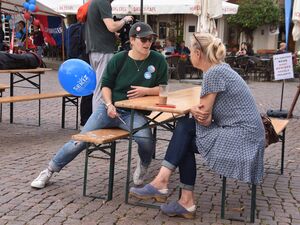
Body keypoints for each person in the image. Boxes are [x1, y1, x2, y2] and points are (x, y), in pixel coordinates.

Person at [129, 32, 265, 219]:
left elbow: (203, 119)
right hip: (248, 137)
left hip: (242, 141)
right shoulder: (221, 69)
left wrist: (194, 110)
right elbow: (205, 117)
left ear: (198, 53)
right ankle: (181, 198)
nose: (188, 55)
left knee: (185, 129)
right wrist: (196, 111)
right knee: (184, 134)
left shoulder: (214, 73)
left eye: (190, 51)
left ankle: (169, 188)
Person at [31, 22, 168, 189]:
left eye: (150, 39)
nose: (148, 43)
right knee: (80, 140)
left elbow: (163, 89)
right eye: (143, 39)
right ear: (132, 40)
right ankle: (49, 170)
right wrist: (109, 104)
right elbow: (106, 86)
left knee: (146, 140)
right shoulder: (119, 59)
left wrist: (145, 91)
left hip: (133, 114)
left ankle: (143, 165)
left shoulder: (158, 60)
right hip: (109, 109)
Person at [85, 0, 133, 112]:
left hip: (95, 50)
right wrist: (124, 20)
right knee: (102, 88)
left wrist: (114, 35)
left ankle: (98, 120)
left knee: (98, 87)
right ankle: (97, 122)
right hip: (103, 51)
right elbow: (111, 26)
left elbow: (102, 28)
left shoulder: (95, 2)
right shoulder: (103, 2)